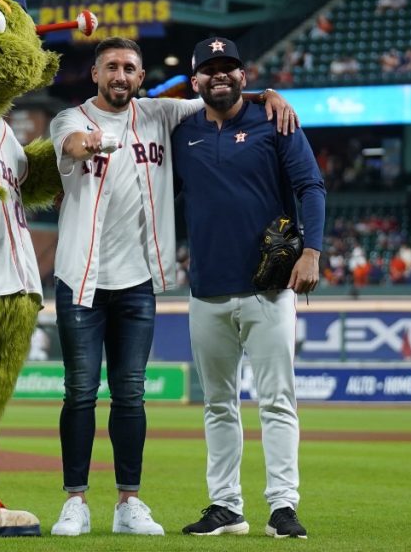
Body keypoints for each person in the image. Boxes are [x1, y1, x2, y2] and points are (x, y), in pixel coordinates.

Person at [48, 37, 297, 537]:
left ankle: (128, 504)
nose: (121, 75)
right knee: (79, 393)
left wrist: (267, 94)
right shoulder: (70, 119)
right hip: (82, 278)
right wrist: (92, 143)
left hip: (138, 279)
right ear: (96, 74)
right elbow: (71, 146)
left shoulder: (161, 113)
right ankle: (75, 501)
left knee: (131, 396)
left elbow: (217, 92)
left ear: (142, 78)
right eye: (112, 67)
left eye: (130, 68)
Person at [173, 37, 325, 538]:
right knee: (218, 403)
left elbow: (311, 187)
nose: (221, 74)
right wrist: (267, 91)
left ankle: (283, 505)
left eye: (229, 67)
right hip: (206, 289)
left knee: (277, 400)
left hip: (269, 288)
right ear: (195, 80)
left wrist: (311, 251)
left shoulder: (275, 122)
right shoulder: (183, 129)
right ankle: (225, 506)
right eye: (209, 69)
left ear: (244, 74)